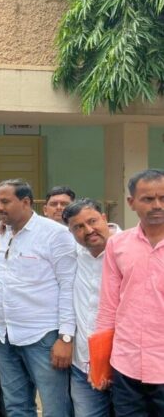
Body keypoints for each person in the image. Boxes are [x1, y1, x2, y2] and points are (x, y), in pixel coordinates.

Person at [0, 179, 76, 417]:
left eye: (5, 202)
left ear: (26, 202)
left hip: (43, 337)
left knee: (55, 409)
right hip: (6, 336)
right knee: (16, 407)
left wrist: (66, 337)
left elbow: (68, 286)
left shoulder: (56, 235)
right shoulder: (4, 232)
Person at [96, 169, 164, 414]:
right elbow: (108, 305)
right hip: (126, 363)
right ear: (131, 202)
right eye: (148, 199)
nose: (157, 205)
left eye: (163, 198)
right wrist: (101, 361)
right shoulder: (118, 244)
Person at [61, 199, 117, 417]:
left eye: (92, 221)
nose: (88, 230)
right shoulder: (74, 253)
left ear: (104, 218)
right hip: (83, 365)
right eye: (78, 227)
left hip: (123, 365)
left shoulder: (126, 249)